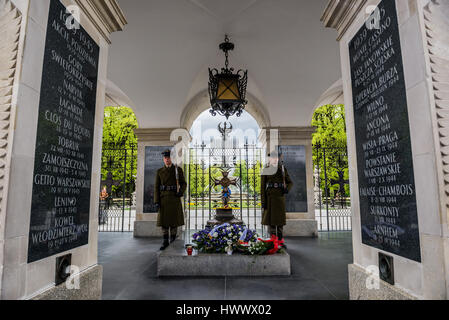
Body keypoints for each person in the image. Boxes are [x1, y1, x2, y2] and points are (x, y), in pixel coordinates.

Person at [154, 149, 187, 250]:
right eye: (165, 158)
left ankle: (172, 241)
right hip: (163, 199)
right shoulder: (159, 171)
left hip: (174, 198)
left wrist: (180, 192)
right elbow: (156, 187)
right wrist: (156, 201)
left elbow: (183, 183)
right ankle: (165, 241)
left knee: (173, 222)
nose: (167, 160)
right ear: (163, 159)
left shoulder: (177, 170)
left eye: (168, 158)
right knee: (164, 222)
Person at [261, 151, 293, 245]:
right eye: (272, 158)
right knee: (271, 223)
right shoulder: (266, 169)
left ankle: (280, 242)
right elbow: (262, 187)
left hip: (279, 198)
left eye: (276, 158)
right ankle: (273, 242)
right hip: (270, 198)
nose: (274, 160)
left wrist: (287, 189)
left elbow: (290, 182)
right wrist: (263, 201)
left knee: (279, 223)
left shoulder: (282, 169)